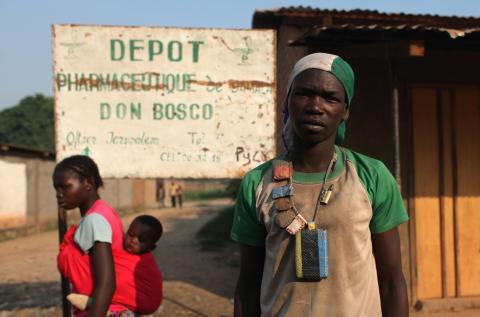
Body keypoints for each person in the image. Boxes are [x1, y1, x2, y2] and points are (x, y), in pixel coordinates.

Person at [231, 53, 409, 317]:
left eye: (330, 97)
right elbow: (248, 287)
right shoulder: (258, 183)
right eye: (304, 93)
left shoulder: (371, 176)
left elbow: (391, 282)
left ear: (345, 110)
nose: (315, 106)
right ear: (288, 101)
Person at [54, 155, 162, 317]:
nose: (59, 194)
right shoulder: (105, 211)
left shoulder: (95, 220)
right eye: (56, 188)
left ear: (88, 183)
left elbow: (106, 282)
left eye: (65, 187)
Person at [66, 215, 164, 313]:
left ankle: (95, 302)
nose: (133, 240)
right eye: (131, 234)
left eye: (141, 240)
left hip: (144, 304)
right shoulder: (118, 248)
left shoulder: (144, 264)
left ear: (151, 247)